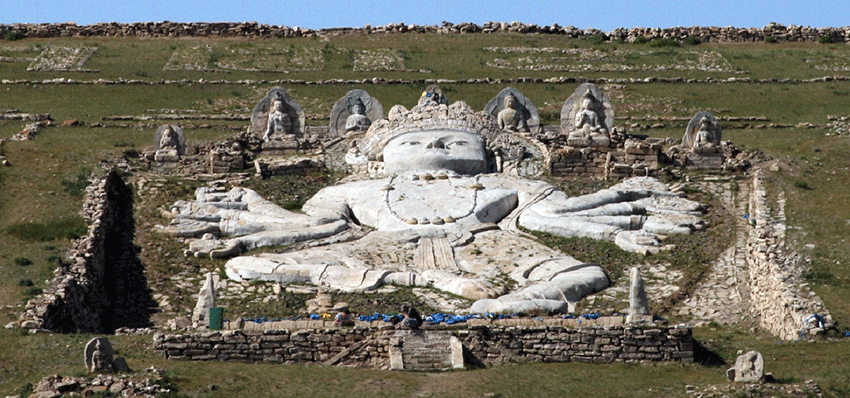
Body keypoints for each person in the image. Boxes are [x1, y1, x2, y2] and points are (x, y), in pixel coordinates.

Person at [161, 101, 704, 315]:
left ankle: (501, 306)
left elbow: (551, 217)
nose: (435, 147)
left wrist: (621, 216)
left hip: (489, 245)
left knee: (589, 273)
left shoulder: (502, 182)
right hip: (377, 249)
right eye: (415, 142)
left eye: (454, 142)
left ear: (489, 153)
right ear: (379, 156)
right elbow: (313, 228)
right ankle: (419, 282)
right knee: (243, 266)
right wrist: (245, 225)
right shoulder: (357, 189)